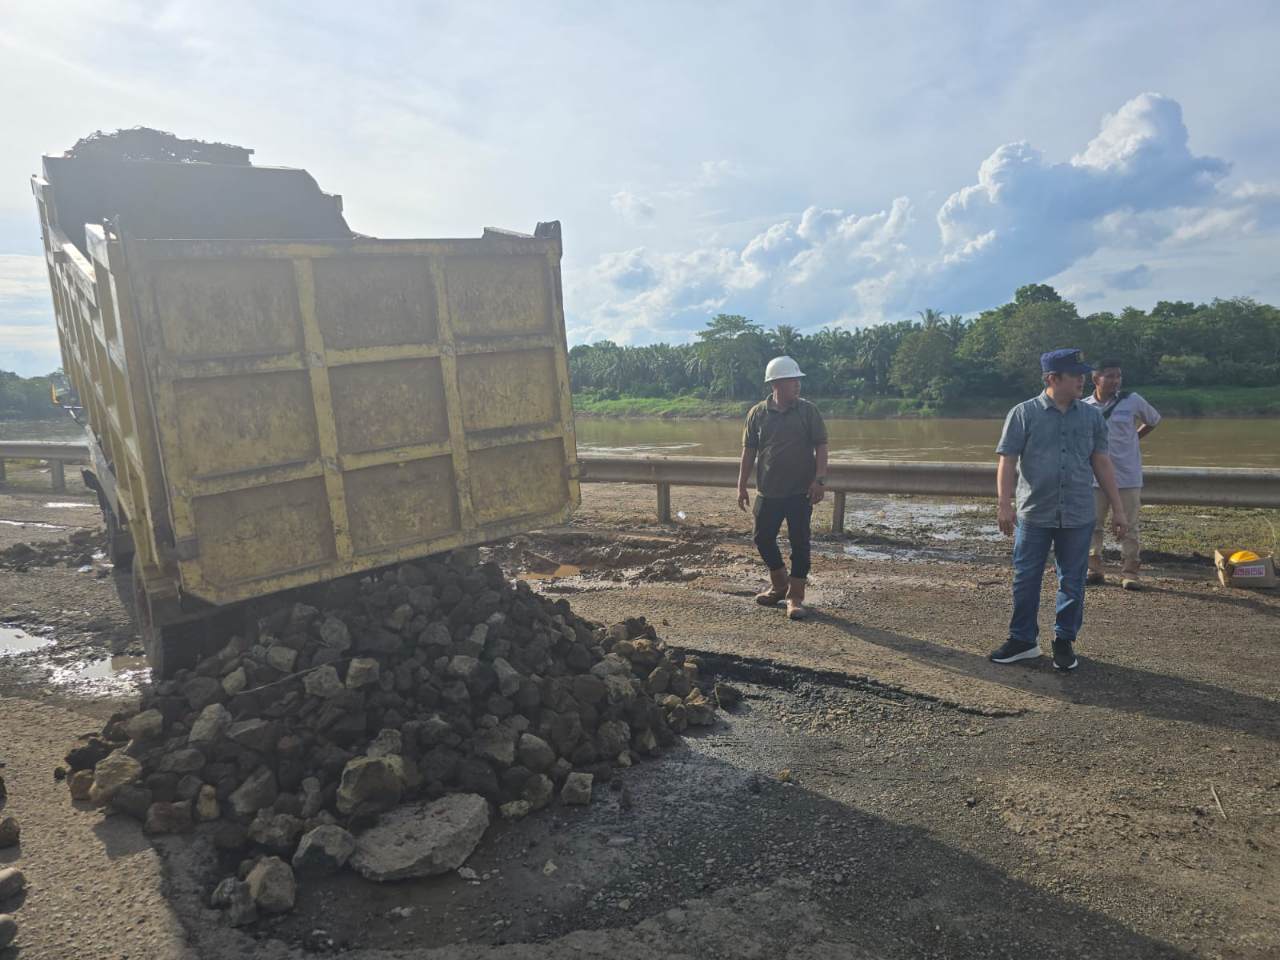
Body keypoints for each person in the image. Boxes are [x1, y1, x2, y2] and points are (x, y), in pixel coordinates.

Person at [989, 349, 1128, 671]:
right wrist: (1004, 504)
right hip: (1034, 513)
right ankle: (1023, 640)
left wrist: (1118, 509)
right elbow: (1007, 460)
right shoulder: (1023, 413)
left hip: (1078, 513)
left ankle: (1064, 641)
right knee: (1026, 578)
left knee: (1073, 581)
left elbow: (1102, 463)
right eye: (1075, 375)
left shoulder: (1092, 417)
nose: (1083, 380)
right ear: (1053, 378)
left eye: (1083, 375)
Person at [737, 356, 829, 621]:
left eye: (798, 380)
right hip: (768, 491)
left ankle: (795, 597)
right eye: (792, 381)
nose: (797, 385)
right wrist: (741, 485)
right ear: (776, 383)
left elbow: (821, 446)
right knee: (762, 538)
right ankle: (779, 585)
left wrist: (819, 480)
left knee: (800, 542)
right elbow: (749, 451)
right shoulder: (757, 413)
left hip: (800, 491)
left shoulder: (808, 411)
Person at [1083, 361, 1161, 590]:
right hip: (1094, 477)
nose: (1115, 381)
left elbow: (1153, 420)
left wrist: (1134, 437)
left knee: (1129, 526)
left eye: (1118, 376)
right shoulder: (1084, 406)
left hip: (1127, 475)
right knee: (1092, 525)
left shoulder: (1132, 400)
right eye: (1109, 376)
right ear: (1095, 379)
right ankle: (1093, 569)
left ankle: (1130, 572)